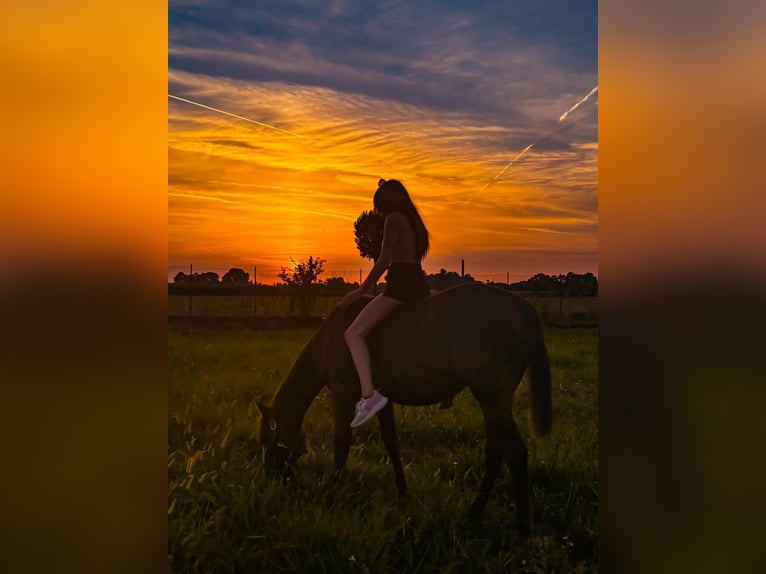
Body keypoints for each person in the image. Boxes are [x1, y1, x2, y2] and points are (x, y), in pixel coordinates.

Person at [340, 178, 431, 428]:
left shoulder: (394, 219)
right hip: (418, 283)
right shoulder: (413, 222)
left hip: (400, 286)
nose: (378, 211)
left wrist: (359, 292)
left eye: (379, 205)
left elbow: (383, 261)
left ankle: (370, 395)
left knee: (353, 334)